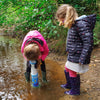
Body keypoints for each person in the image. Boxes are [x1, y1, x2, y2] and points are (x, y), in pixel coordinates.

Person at [56, 4, 96, 95]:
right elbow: (73, 39)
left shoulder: (81, 24)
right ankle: (69, 84)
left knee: (72, 71)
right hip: (73, 53)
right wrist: (68, 48)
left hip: (78, 54)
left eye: (62, 19)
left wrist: (83, 58)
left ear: (67, 16)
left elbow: (88, 42)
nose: (61, 22)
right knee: (67, 68)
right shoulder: (73, 23)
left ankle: (75, 91)